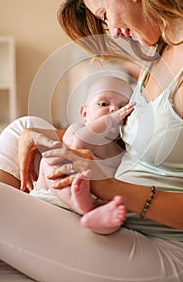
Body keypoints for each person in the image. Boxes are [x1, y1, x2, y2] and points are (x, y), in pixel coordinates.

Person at [0, 0, 183, 281]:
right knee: (22, 128)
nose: (112, 31)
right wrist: (56, 143)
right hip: (123, 222)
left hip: (182, 252)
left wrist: (107, 187)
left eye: (104, 14)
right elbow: (138, 148)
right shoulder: (158, 53)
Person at [29, 75, 135, 234]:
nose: (114, 110)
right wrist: (113, 119)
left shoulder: (121, 152)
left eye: (122, 107)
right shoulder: (76, 130)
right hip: (54, 197)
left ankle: (98, 219)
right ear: (84, 113)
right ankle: (81, 205)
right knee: (53, 159)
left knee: (115, 211)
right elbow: (78, 144)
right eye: (103, 104)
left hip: (94, 205)